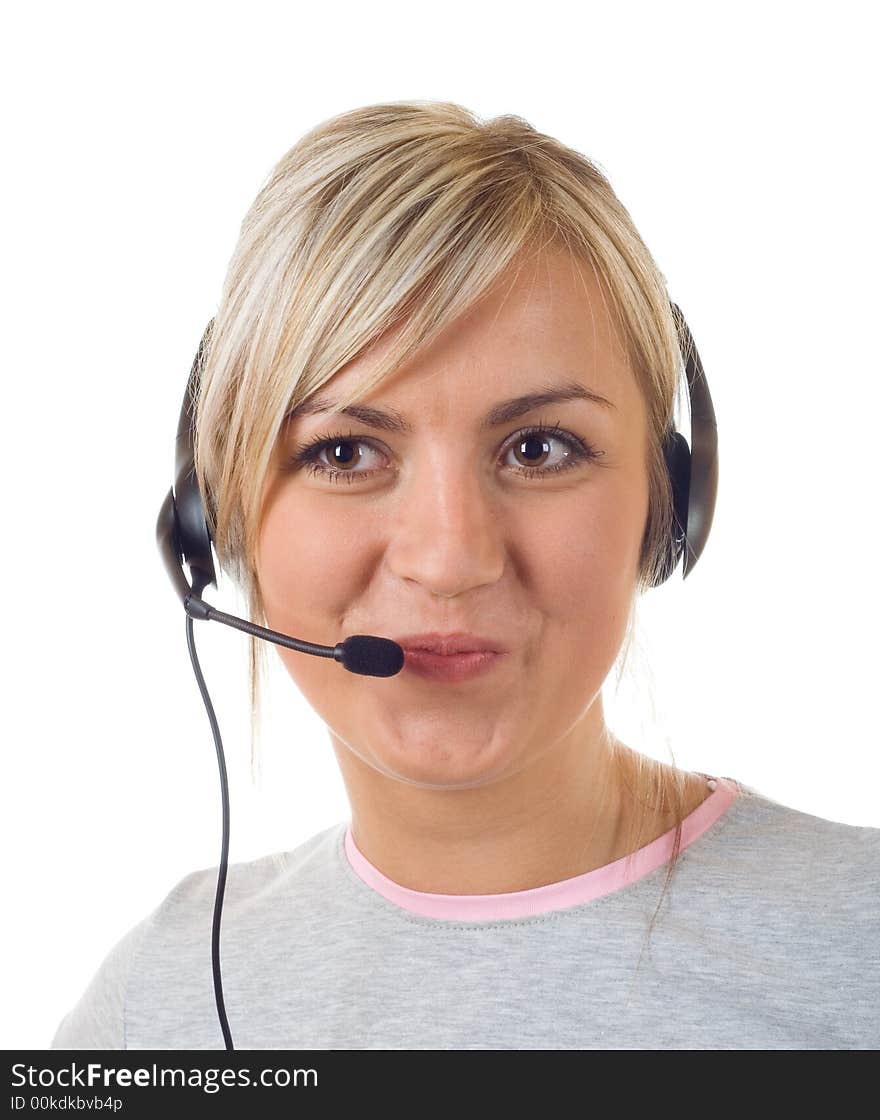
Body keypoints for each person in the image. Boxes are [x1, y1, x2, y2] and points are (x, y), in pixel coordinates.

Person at [52, 100, 879, 1051]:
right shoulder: (159, 1006)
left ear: (670, 504)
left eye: (538, 447)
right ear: (215, 517)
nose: (448, 561)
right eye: (346, 452)